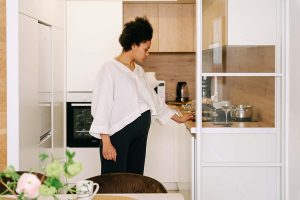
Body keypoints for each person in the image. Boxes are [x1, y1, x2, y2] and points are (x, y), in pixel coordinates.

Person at [89, 17, 193, 175]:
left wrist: (178, 118)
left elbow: (153, 99)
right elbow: (102, 105)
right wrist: (106, 141)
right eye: (146, 48)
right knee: (115, 181)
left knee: (136, 179)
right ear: (133, 45)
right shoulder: (110, 69)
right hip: (118, 136)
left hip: (140, 136)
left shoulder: (138, 70)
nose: (148, 53)